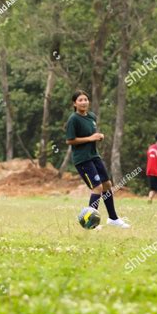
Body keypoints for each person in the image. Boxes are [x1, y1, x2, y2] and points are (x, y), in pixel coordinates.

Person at [66, 90, 130, 229]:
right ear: (74, 103)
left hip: (94, 156)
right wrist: (91, 138)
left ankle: (113, 218)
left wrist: (98, 136)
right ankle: (89, 223)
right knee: (97, 187)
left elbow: (91, 135)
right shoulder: (73, 119)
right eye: (80, 100)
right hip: (82, 159)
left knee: (107, 185)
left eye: (86, 99)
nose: (84, 102)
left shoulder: (92, 117)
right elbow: (70, 141)